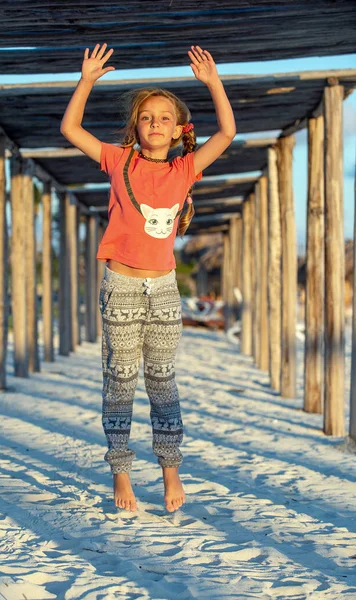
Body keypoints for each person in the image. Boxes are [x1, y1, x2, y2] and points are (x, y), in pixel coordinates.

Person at [61, 43, 236, 513]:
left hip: (162, 289)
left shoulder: (186, 169)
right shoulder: (119, 161)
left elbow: (228, 132)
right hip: (119, 283)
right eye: (146, 117)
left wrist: (213, 83)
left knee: (162, 380)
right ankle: (121, 473)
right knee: (119, 380)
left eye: (164, 118)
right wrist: (87, 81)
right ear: (135, 129)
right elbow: (69, 128)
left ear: (179, 130)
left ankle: (170, 471)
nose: (155, 123)